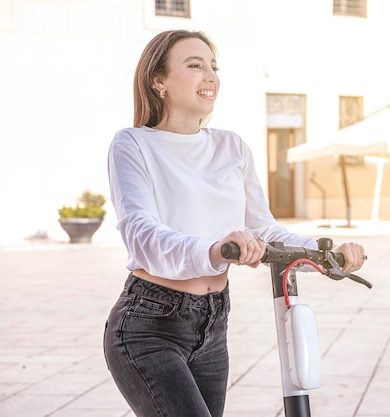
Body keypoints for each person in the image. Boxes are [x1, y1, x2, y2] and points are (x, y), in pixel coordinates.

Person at [103, 29, 367, 417]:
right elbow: (141, 232)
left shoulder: (231, 146)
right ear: (158, 80)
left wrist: (325, 253)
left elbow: (264, 229)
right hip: (149, 324)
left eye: (213, 66)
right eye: (195, 66)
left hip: (213, 322)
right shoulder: (132, 144)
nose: (210, 75)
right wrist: (210, 250)